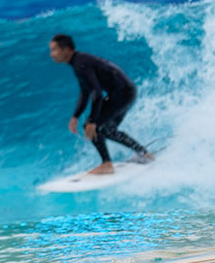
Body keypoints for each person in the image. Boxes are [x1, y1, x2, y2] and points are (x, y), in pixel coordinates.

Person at [48, 33, 154, 174]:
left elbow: (96, 92)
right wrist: (75, 116)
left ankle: (106, 164)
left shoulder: (80, 63)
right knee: (106, 129)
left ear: (66, 50)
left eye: (54, 50)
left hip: (122, 93)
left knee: (94, 127)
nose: (52, 54)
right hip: (125, 92)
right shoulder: (78, 62)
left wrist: (92, 120)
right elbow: (85, 92)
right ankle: (143, 153)